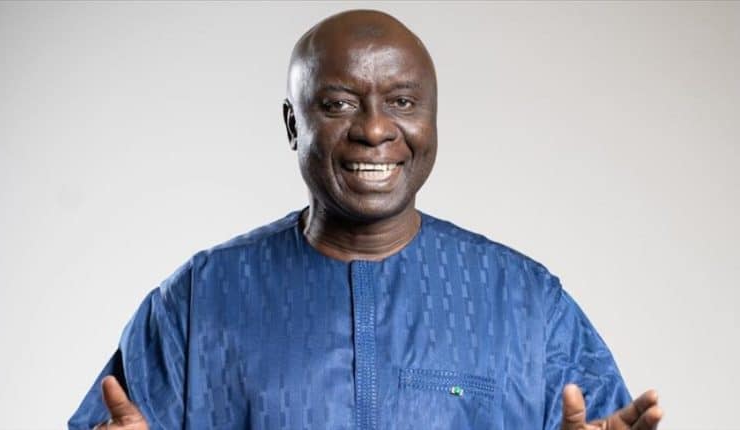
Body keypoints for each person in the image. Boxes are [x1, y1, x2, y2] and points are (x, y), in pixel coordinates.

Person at [69, 9, 662, 430]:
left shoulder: (527, 302)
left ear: (433, 119)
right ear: (293, 125)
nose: (375, 129)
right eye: (338, 104)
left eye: (402, 102)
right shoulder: (199, 299)